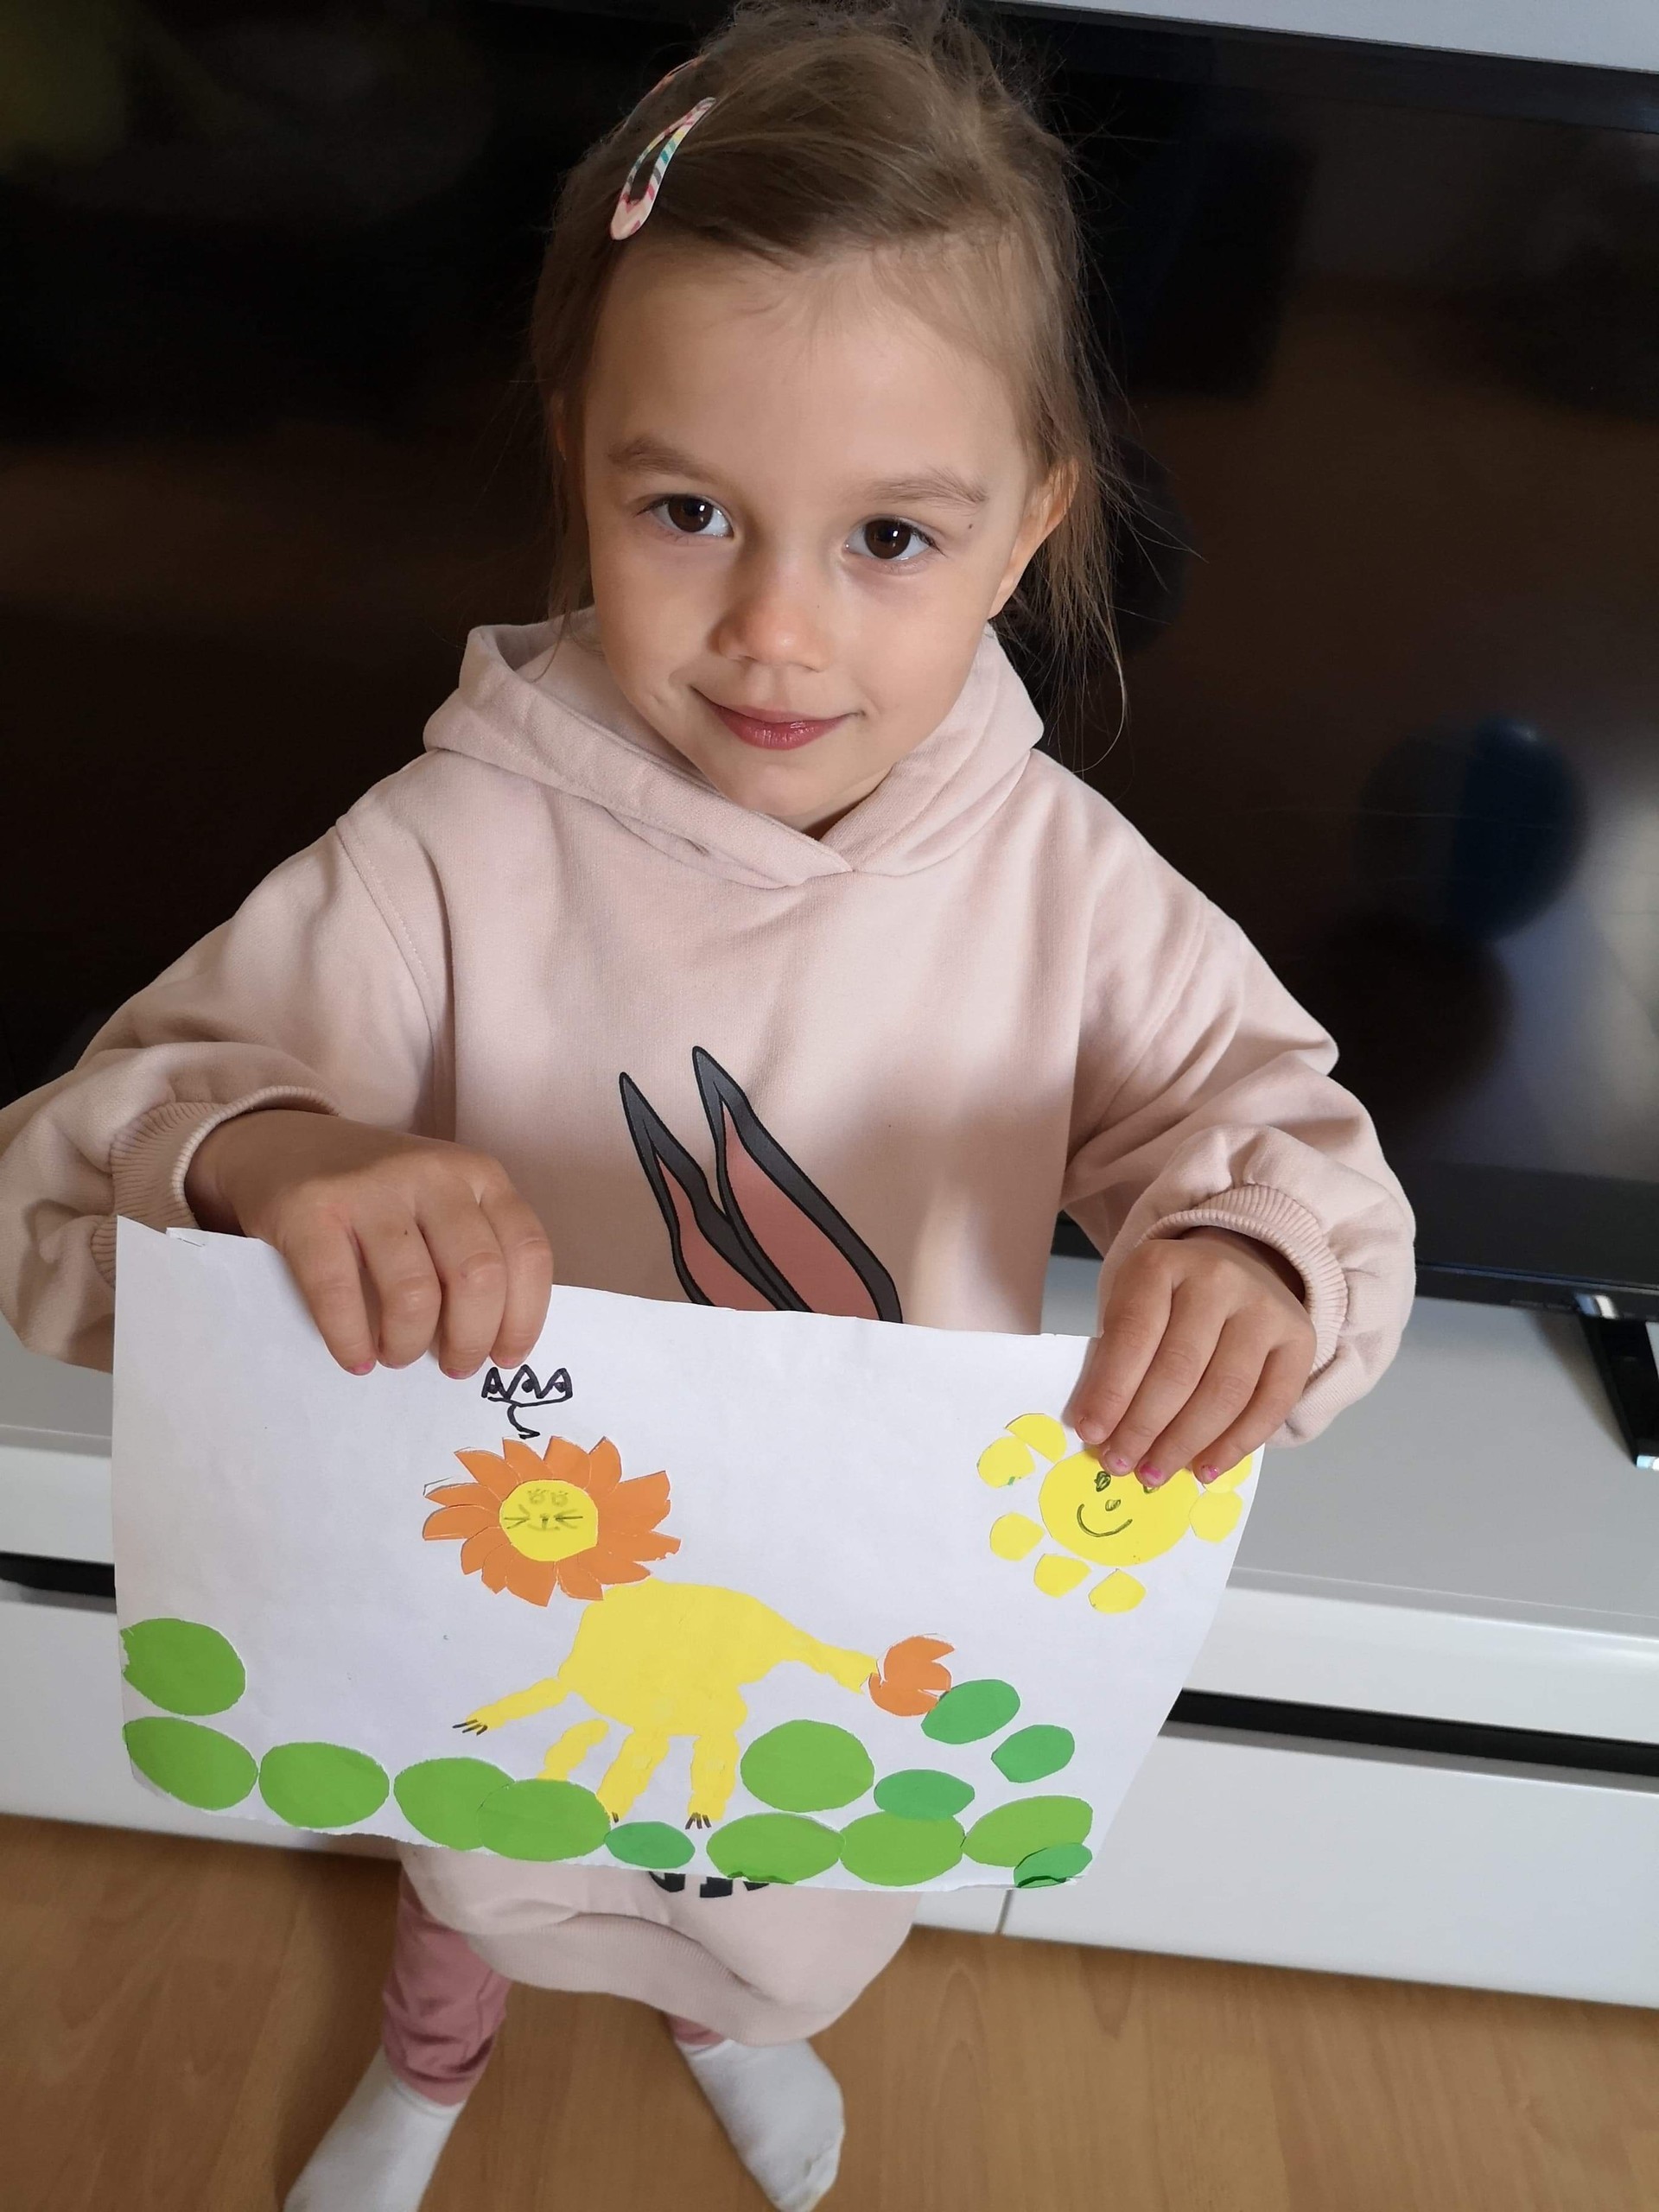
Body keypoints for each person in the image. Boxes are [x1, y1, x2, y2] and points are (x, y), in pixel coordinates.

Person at [0, 4, 1415, 2206]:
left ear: (1032, 526)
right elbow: (65, 1188)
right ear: (582, 461)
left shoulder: (1065, 888)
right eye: (689, 511)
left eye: (890, 536)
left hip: (844, 1614)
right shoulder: (446, 854)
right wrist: (271, 1156)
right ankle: (437, 2057)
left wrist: (1249, 1250)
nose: (774, 631)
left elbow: (1287, 1136)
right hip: (495, 1577)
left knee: (776, 1908)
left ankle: (715, 2015)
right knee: (473, 1865)